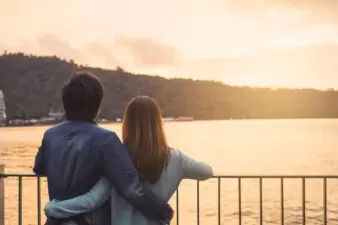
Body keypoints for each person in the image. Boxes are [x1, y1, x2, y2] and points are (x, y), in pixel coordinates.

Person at [43, 96, 214, 225]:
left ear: (128, 123)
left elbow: (93, 199)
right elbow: (207, 171)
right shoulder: (176, 158)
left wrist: (54, 208)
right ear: (158, 123)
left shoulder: (117, 158)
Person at [33, 73, 173, 225]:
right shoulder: (106, 140)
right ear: (97, 106)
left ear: (65, 103)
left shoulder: (50, 135)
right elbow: (132, 189)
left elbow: (39, 168)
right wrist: (164, 211)